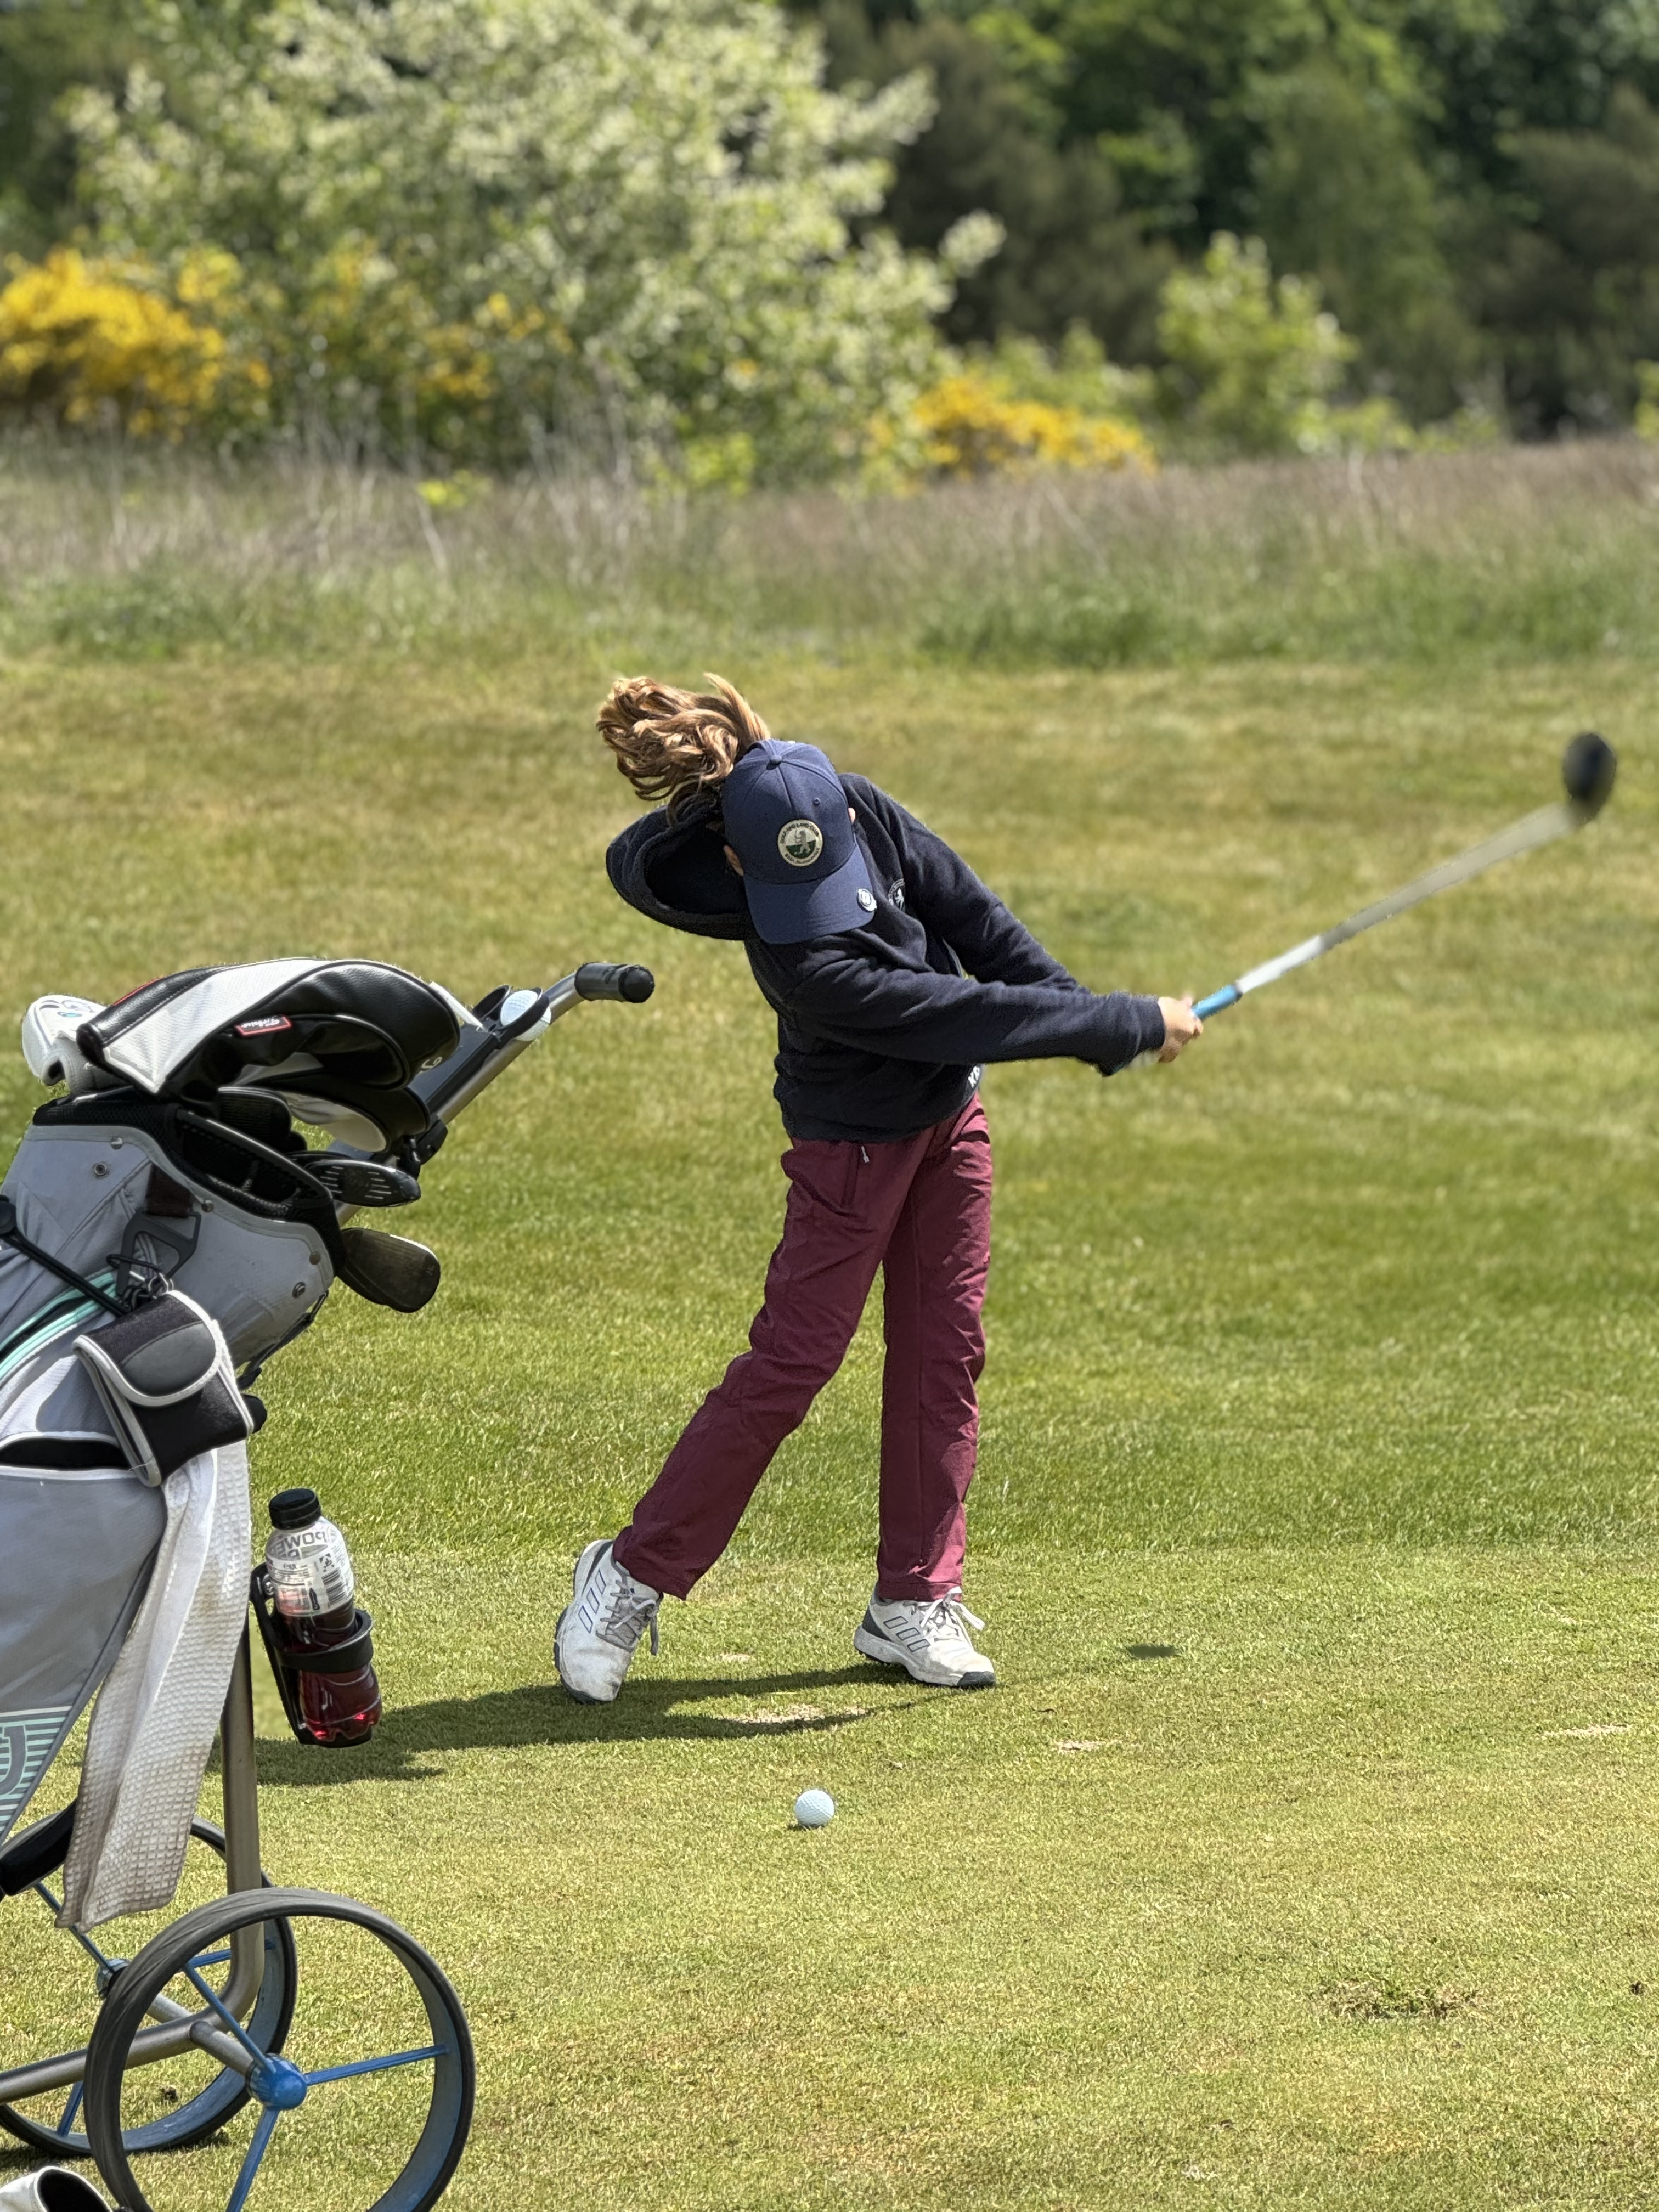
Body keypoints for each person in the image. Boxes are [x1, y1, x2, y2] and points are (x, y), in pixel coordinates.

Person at [556, 674, 1201, 1702]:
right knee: (794, 1364)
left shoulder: (859, 803)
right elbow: (948, 1009)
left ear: (845, 822)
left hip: (952, 1124)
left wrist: (1093, 1021)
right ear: (738, 861)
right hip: (850, 1148)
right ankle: (628, 1575)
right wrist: (1115, 1021)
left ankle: (914, 1597)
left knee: (946, 1354)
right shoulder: (806, 965)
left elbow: (975, 920)